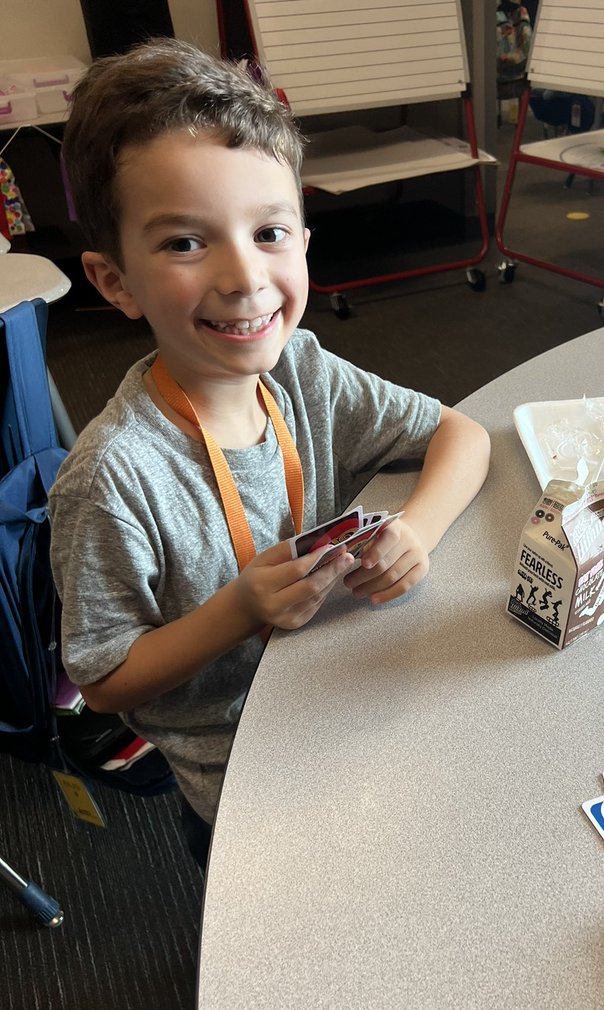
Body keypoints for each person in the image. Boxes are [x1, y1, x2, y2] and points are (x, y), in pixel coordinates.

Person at [49, 39, 491, 871]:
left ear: (304, 241)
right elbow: (103, 677)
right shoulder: (115, 474)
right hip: (238, 767)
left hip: (342, 682)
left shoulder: (303, 371)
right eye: (185, 243)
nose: (245, 278)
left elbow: (461, 434)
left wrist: (419, 531)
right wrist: (239, 610)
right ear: (114, 282)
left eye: (270, 232)